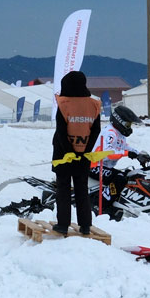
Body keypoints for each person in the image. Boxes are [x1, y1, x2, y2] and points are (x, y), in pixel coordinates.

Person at [51, 70, 101, 235]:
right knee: (82, 189)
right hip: (84, 154)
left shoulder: (64, 104)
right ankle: (85, 225)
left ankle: (63, 224)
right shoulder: (93, 105)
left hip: (63, 155)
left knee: (63, 189)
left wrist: (69, 152)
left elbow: (61, 131)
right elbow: (96, 130)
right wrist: (84, 152)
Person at [90, 105, 150, 219]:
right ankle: (98, 205)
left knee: (129, 174)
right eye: (127, 124)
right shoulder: (110, 133)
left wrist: (139, 154)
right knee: (119, 178)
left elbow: (125, 147)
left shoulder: (118, 133)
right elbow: (107, 152)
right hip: (95, 165)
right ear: (119, 121)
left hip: (105, 167)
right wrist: (127, 154)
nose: (129, 127)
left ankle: (118, 203)